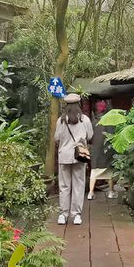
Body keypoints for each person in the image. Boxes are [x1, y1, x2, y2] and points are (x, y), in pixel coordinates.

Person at [55, 93, 92, 225]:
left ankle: (63, 215)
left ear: (66, 106)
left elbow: (56, 139)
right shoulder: (85, 120)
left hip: (64, 156)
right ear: (79, 105)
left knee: (64, 186)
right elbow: (89, 136)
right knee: (78, 185)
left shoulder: (61, 120)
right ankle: (76, 215)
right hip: (80, 156)